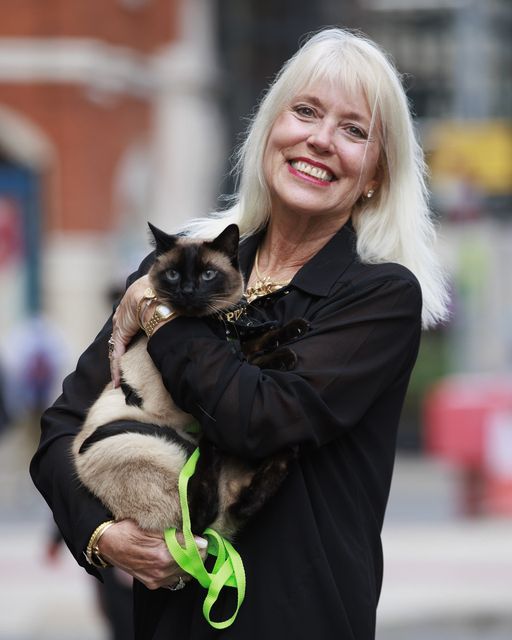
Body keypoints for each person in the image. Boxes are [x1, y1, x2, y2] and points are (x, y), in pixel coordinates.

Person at [30, 28, 449, 639]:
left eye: (354, 130)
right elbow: (61, 428)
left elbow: (257, 418)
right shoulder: (180, 268)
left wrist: (165, 313)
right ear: (268, 132)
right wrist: (103, 535)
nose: (320, 139)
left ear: (375, 176)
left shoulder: (377, 296)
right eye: (305, 112)